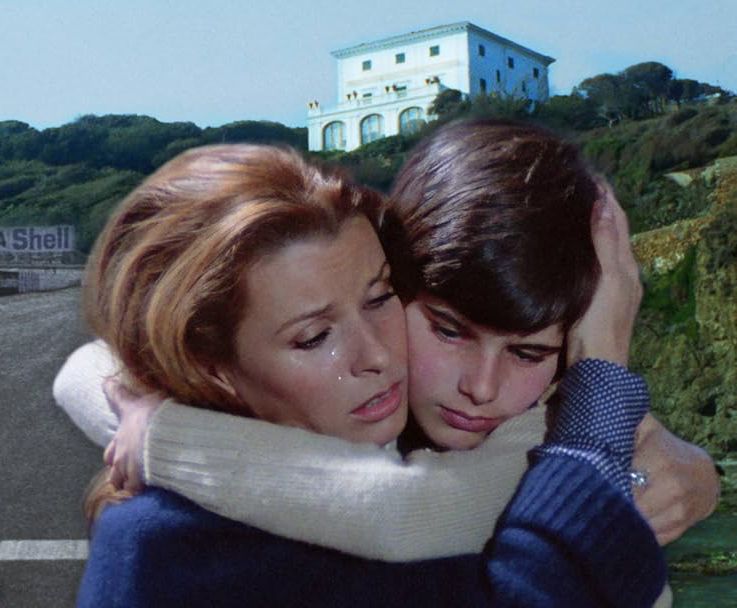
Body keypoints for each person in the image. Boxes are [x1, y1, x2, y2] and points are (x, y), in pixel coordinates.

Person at [59, 135, 665, 606]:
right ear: (214, 367)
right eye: (314, 337)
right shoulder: (168, 552)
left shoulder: (475, 440)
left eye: (379, 299)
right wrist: (601, 406)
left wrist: (648, 448)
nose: (377, 354)